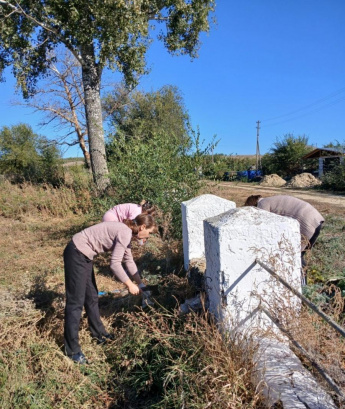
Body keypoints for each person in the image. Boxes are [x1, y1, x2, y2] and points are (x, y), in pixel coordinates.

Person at [63, 213, 156, 364]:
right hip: (76, 252)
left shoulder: (127, 232)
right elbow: (114, 264)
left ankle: (99, 334)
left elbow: (129, 261)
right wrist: (129, 284)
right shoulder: (125, 232)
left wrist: (140, 284)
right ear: (143, 227)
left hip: (84, 255)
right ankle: (72, 351)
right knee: (75, 302)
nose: (148, 236)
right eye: (149, 233)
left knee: (92, 296)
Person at [244, 195, 324, 283]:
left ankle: (301, 285)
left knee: (296, 255)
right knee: (300, 255)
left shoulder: (262, 204)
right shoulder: (269, 200)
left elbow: (263, 227)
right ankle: (302, 283)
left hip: (306, 221)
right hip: (315, 218)